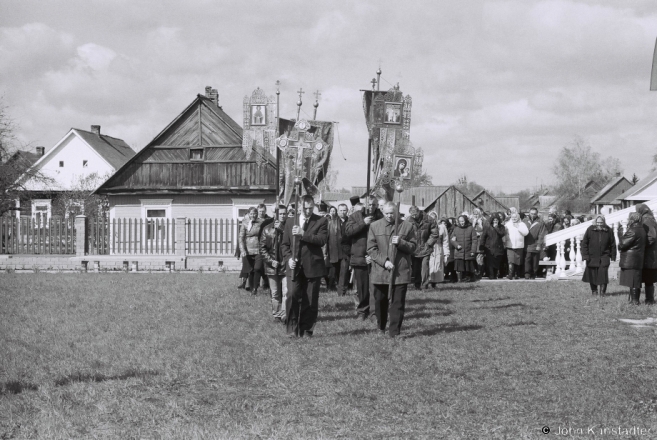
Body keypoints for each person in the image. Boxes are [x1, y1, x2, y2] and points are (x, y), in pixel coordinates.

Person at [281, 195, 328, 337]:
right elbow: (284, 245)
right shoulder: (290, 222)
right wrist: (289, 258)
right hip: (294, 266)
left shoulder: (321, 221)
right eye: (305, 208)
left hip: (313, 266)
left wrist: (303, 234)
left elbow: (321, 240)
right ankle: (292, 329)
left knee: (310, 299)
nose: (308, 211)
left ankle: (306, 329)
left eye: (310, 208)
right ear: (300, 206)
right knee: (292, 295)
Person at [367, 201, 417, 337]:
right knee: (380, 302)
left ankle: (394, 332)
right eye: (387, 213)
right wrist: (384, 262)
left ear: (397, 212)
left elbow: (413, 247)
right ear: (382, 212)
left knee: (397, 303)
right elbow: (371, 249)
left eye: (392, 213)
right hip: (380, 271)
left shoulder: (407, 226)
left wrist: (400, 242)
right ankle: (381, 327)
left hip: (400, 271)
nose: (389, 216)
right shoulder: (374, 226)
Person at [345, 196, 383, 319]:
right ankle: (362, 310)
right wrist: (363, 223)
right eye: (369, 204)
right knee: (361, 287)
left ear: (376, 205)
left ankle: (374, 311)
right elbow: (348, 231)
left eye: (373, 204)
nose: (371, 207)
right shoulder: (355, 216)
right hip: (359, 255)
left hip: (376, 257)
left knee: (375, 287)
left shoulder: (381, 216)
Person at [260, 205, 288, 321]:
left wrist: (282, 229)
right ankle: (276, 314)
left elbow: (293, 243)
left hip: (285, 265)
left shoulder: (289, 228)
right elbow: (262, 248)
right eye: (280, 213)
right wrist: (271, 261)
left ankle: (285, 314)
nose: (282, 216)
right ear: (275, 215)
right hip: (272, 267)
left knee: (286, 292)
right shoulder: (267, 229)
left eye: (284, 213)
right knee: (275, 292)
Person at [581, 214, 616, 296]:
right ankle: (594, 291)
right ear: (595, 222)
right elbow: (584, 243)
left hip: (604, 257)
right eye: (598, 222)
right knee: (592, 275)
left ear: (604, 222)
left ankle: (602, 293)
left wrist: (613, 256)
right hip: (592, 257)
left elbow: (613, 244)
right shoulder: (590, 229)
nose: (599, 224)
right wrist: (585, 255)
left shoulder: (609, 230)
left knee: (603, 275)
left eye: (601, 222)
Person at [406, 206, 439, 289]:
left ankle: (425, 284)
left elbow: (434, 233)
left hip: (426, 247)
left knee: (425, 266)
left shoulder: (429, 219)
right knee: (416, 267)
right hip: (414, 248)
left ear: (419, 212)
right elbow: (405, 233)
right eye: (412, 215)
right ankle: (417, 284)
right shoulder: (408, 220)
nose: (414, 217)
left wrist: (429, 243)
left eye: (415, 215)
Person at [618, 212, 647, 305]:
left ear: (632, 219)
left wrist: (621, 235)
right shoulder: (642, 229)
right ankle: (633, 301)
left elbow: (622, 244)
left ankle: (635, 302)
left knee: (633, 281)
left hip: (631, 259)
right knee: (635, 280)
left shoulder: (633, 230)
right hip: (638, 258)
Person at [238, 207, 265, 294]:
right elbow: (241, 238)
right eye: (251, 214)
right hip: (248, 250)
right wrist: (242, 250)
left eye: (255, 213)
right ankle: (253, 289)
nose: (253, 215)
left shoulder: (261, 223)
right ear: (249, 214)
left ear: (257, 214)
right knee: (250, 270)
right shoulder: (245, 224)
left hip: (259, 249)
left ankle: (255, 288)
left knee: (257, 268)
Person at [326, 203, 351, 296]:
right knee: (334, 273)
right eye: (340, 210)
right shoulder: (331, 222)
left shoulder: (350, 221)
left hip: (345, 252)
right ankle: (332, 287)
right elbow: (327, 238)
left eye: (344, 210)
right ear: (338, 211)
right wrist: (326, 252)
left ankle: (341, 292)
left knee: (344, 272)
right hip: (334, 251)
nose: (342, 212)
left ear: (347, 211)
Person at [636, 204, 657, 305]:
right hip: (649, 254)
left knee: (648, 278)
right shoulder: (649, 218)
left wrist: (642, 245)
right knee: (647, 278)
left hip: (648, 254)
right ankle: (649, 300)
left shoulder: (647, 219)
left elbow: (652, 236)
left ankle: (649, 300)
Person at [450, 215, 478, 282]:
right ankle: (460, 279)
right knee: (459, 267)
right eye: (460, 221)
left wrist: (473, 251)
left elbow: (474, 240)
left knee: (469, 266)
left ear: (465, 221)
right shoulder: (456, 229)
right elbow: (452, 239)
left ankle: (469, 278)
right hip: (459, 252)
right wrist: (457, 245)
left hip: (468, 251)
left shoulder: (471, 228)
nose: (461, 223)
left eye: (462, 221)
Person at [478, 214, 506, 279]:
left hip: (498, 248)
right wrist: (481, 247)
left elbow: (501, 234)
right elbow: (483, 237)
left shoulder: (502, 227)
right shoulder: (488, 227)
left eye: (496, 220)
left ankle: (495, 274)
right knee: (490, 262)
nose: (495, 221)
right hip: (489, 248)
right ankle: (491, 275)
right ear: (492, 220)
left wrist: (496, 227)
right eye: (494, 220)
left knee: (496, 262)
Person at [523, 207, 547, 279]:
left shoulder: (540, 222)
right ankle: (527, 273)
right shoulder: (524, 221)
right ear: (529, 213)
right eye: (531, 213)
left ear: (537, 214)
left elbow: (541, 234)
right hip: (526, 244)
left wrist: (539, 244)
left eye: (534, 214)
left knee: (535, 260)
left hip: (536, 243)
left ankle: (534, 273)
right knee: (527, 259)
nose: (533, 215)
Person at [427, 212, 450, 286]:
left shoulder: (442, 227)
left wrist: (446, 253)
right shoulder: (426, 226)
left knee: (437, 264)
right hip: (429, 247)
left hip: (438, 247)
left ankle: (435, 282)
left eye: (434, 218)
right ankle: (427, 281)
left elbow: (445, 240)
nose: (433, 219)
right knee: (429, 264)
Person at [504, 211, 529, 280]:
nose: (514, 219)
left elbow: (526, 233)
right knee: (510, 260)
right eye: (512, 217)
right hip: (510, 245)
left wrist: (518, 227)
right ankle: (510, 274)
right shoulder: (507, 224)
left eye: (515, 217)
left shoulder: (522, 224)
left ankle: (517, 274)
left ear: (518, 217)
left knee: (518, 260)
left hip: (519, 245)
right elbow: (504, 234)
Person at [252, 204, 271, 292]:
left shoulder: (269, 220)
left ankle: (266, 285)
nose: (262, 213)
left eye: (263, 211)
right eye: (260, 211)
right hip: (256, 247)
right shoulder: (254, 220)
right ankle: (254, 288)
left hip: (267, 246)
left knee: (266, 267)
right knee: (257, 268)